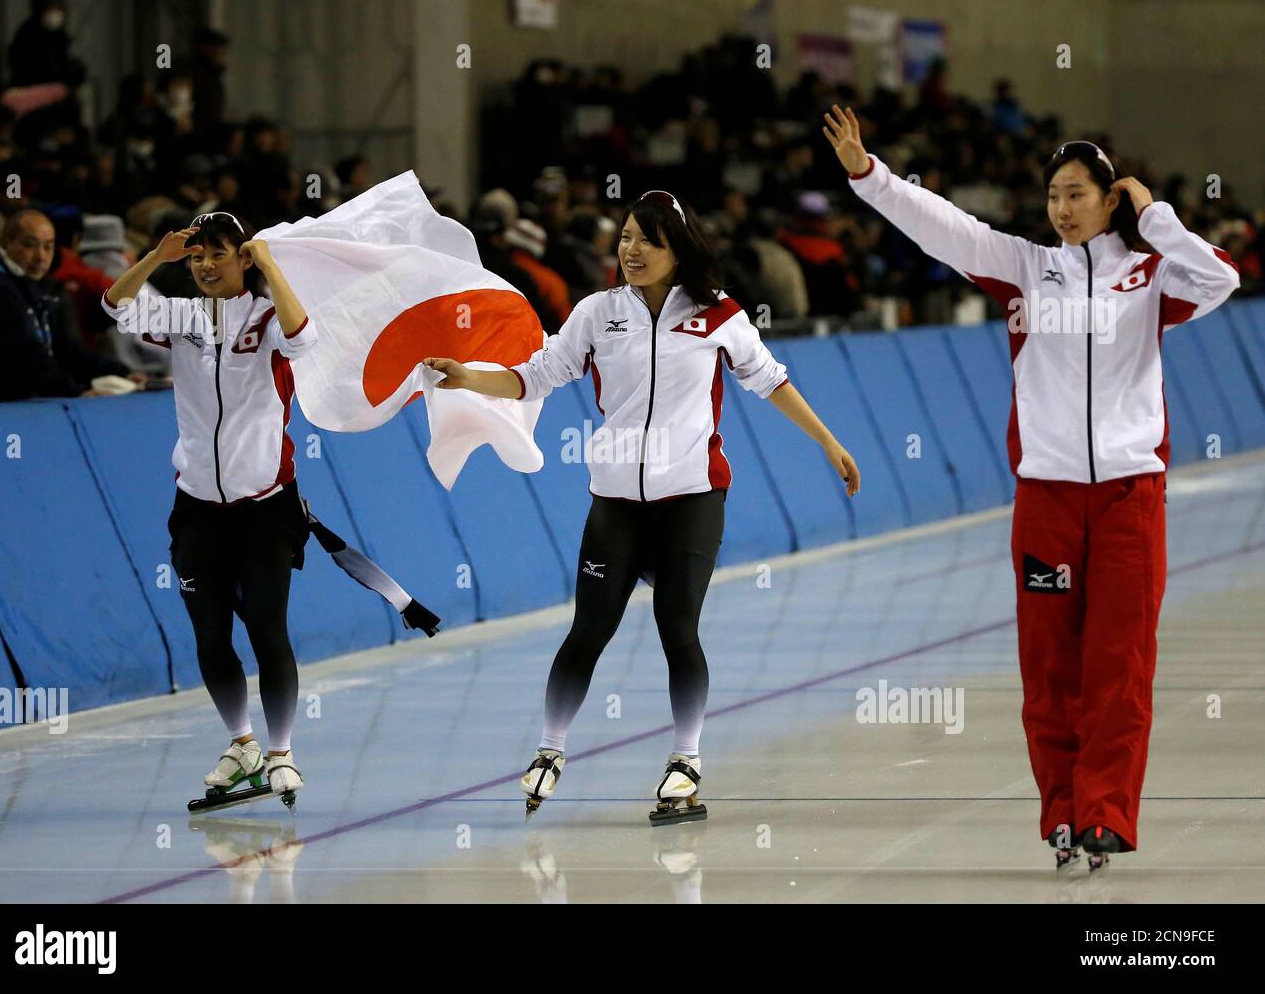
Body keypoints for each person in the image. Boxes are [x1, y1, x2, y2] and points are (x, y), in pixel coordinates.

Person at [823, 105, 1240, 870]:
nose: (1062, 207)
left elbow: (1223, 277)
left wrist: (1158, 217)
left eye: (1078, 193)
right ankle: (1061, 812)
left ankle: (1106, 814)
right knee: (1050, 667)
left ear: (1110, 199)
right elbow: (943, 226)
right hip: (1046, 500)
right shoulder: (1025, 269)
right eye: (1053, 194)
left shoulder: (1150, 277)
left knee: (1120, 664)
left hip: (1129, 497)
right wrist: (868, 174)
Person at [424, 189, 861, 823]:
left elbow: (770, 379)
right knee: (588, 631)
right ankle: (550, 750)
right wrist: (469, 376)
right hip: (617, 505)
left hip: (692, 497)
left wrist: (829, 443)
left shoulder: (719, 315)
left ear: (677, 250)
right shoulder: (598, 314)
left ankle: (685, 760)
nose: (631, 250)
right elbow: (535, 375)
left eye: (647, 241)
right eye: (626, 237)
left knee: (676, 628)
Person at [102, 212, 317, 802]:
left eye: (216, 255)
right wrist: (156, 256)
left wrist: (270, 264)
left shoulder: (268, 315)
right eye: (196, 257)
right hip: (197, 505)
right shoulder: (181, 315)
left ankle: (281, 752)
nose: (204, 266)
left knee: (269, 631)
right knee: (210, 635)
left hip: (264, 506)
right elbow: (115, 305)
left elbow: (303, 337)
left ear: (242, 258)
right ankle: (241, 743)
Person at [0, 209, 137, 404]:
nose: (41, 256)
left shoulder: (38, 283)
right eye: (29, 245)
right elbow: (28, 357)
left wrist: (124, 373)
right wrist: (77, 393)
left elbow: (65, 350)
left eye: (48, 247)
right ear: (6, 243)